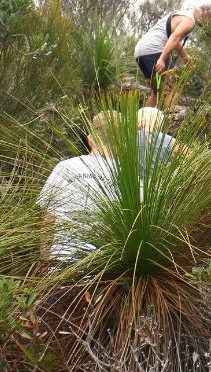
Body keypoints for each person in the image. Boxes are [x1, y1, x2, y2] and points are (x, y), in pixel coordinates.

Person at [37, 107, 182, 265]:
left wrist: (44, 261)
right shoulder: (131, 175)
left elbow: (48, 220)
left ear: (90, 138)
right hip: (106, 273)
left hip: (61, 265)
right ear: (124, 141)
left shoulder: (64, 168)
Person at [134, 4, 211, 108]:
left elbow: (174, 39)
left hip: (140, 51)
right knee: (174, 88)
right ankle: (169, 121)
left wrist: (185, 56)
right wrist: (162, 59)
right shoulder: (190, 20)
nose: (207, 21)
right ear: (204, 13)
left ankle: (141, 122)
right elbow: (175, 36)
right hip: (154, 49)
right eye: (208, 17)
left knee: (157, 93)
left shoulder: (182, 14)